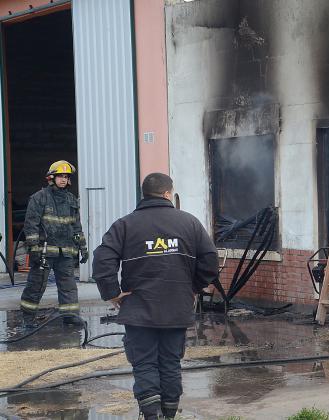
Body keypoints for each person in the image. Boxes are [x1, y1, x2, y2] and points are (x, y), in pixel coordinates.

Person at [92, 173, 218, 420]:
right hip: (176, 308)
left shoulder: (125, 225)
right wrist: (193, 287)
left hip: (139, 310)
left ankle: (151, 415)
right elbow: (210, 261)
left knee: (145, 363)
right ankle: (168, 415)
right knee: (170, 363)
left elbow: (102, 259)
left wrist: (113, 293)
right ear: (168, 193)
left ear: (145, 194)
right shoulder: (189, 223)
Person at [20, 160, 88, 327]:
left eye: (66, 177)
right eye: (60, 176)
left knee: (68, 286)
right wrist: (34, 249)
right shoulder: (39, 198)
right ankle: (28, 319)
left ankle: (70, 316)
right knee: (36, 285)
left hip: (65, 251)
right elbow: (31, 224)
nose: (64, 179)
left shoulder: (71, 200)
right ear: (51, 178)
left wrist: (83, 247)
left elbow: (76, 225)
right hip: (44, 251)